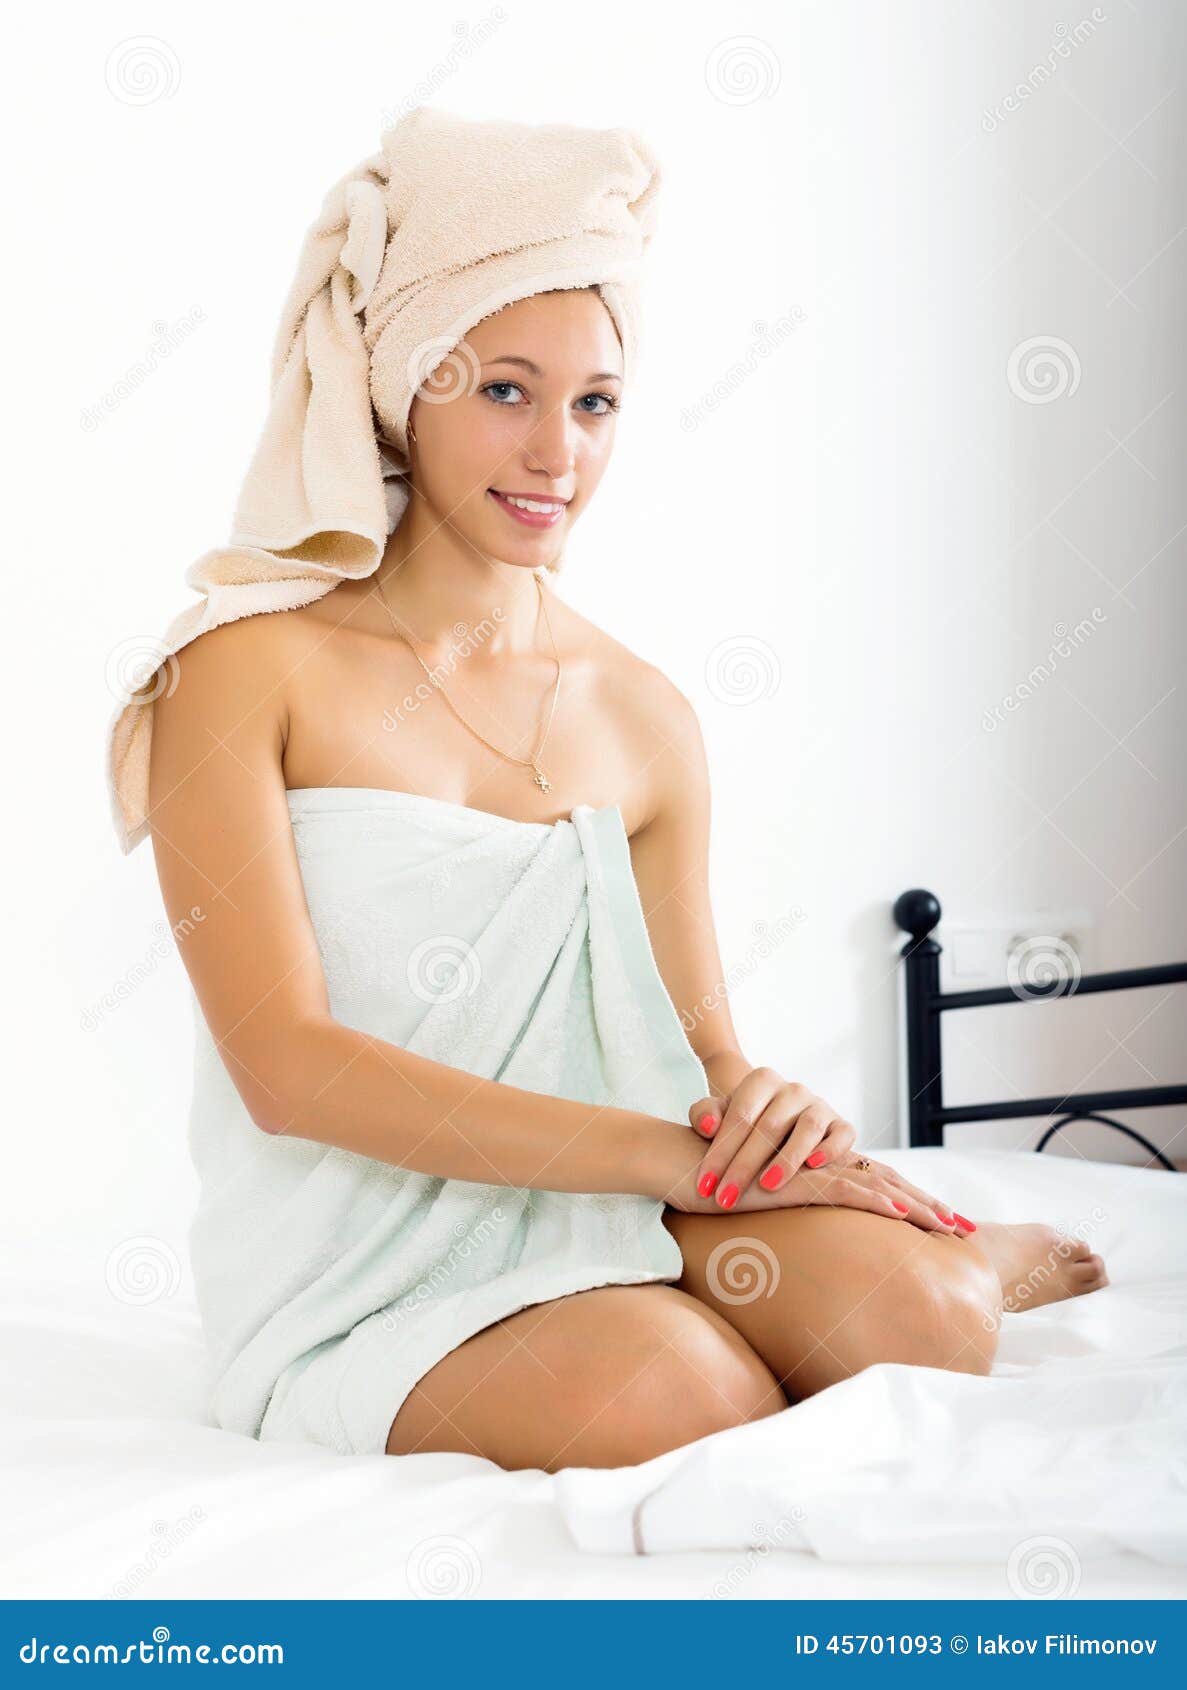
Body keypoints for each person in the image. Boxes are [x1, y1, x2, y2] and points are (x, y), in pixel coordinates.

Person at [110, 110, 1107, 1473]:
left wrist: (767, 1112)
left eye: (594, 402)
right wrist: (666, 1163)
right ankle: (711, 1312)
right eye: (504, 390)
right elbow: (284, 1067)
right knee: (683, 1392)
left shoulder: (645, 718)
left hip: (634, 1185)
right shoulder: (241, 670)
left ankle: (962, 1259)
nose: (556, 454)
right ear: (407, 386)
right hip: (364, 1267)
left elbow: (700, 1060)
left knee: (930, 1317)